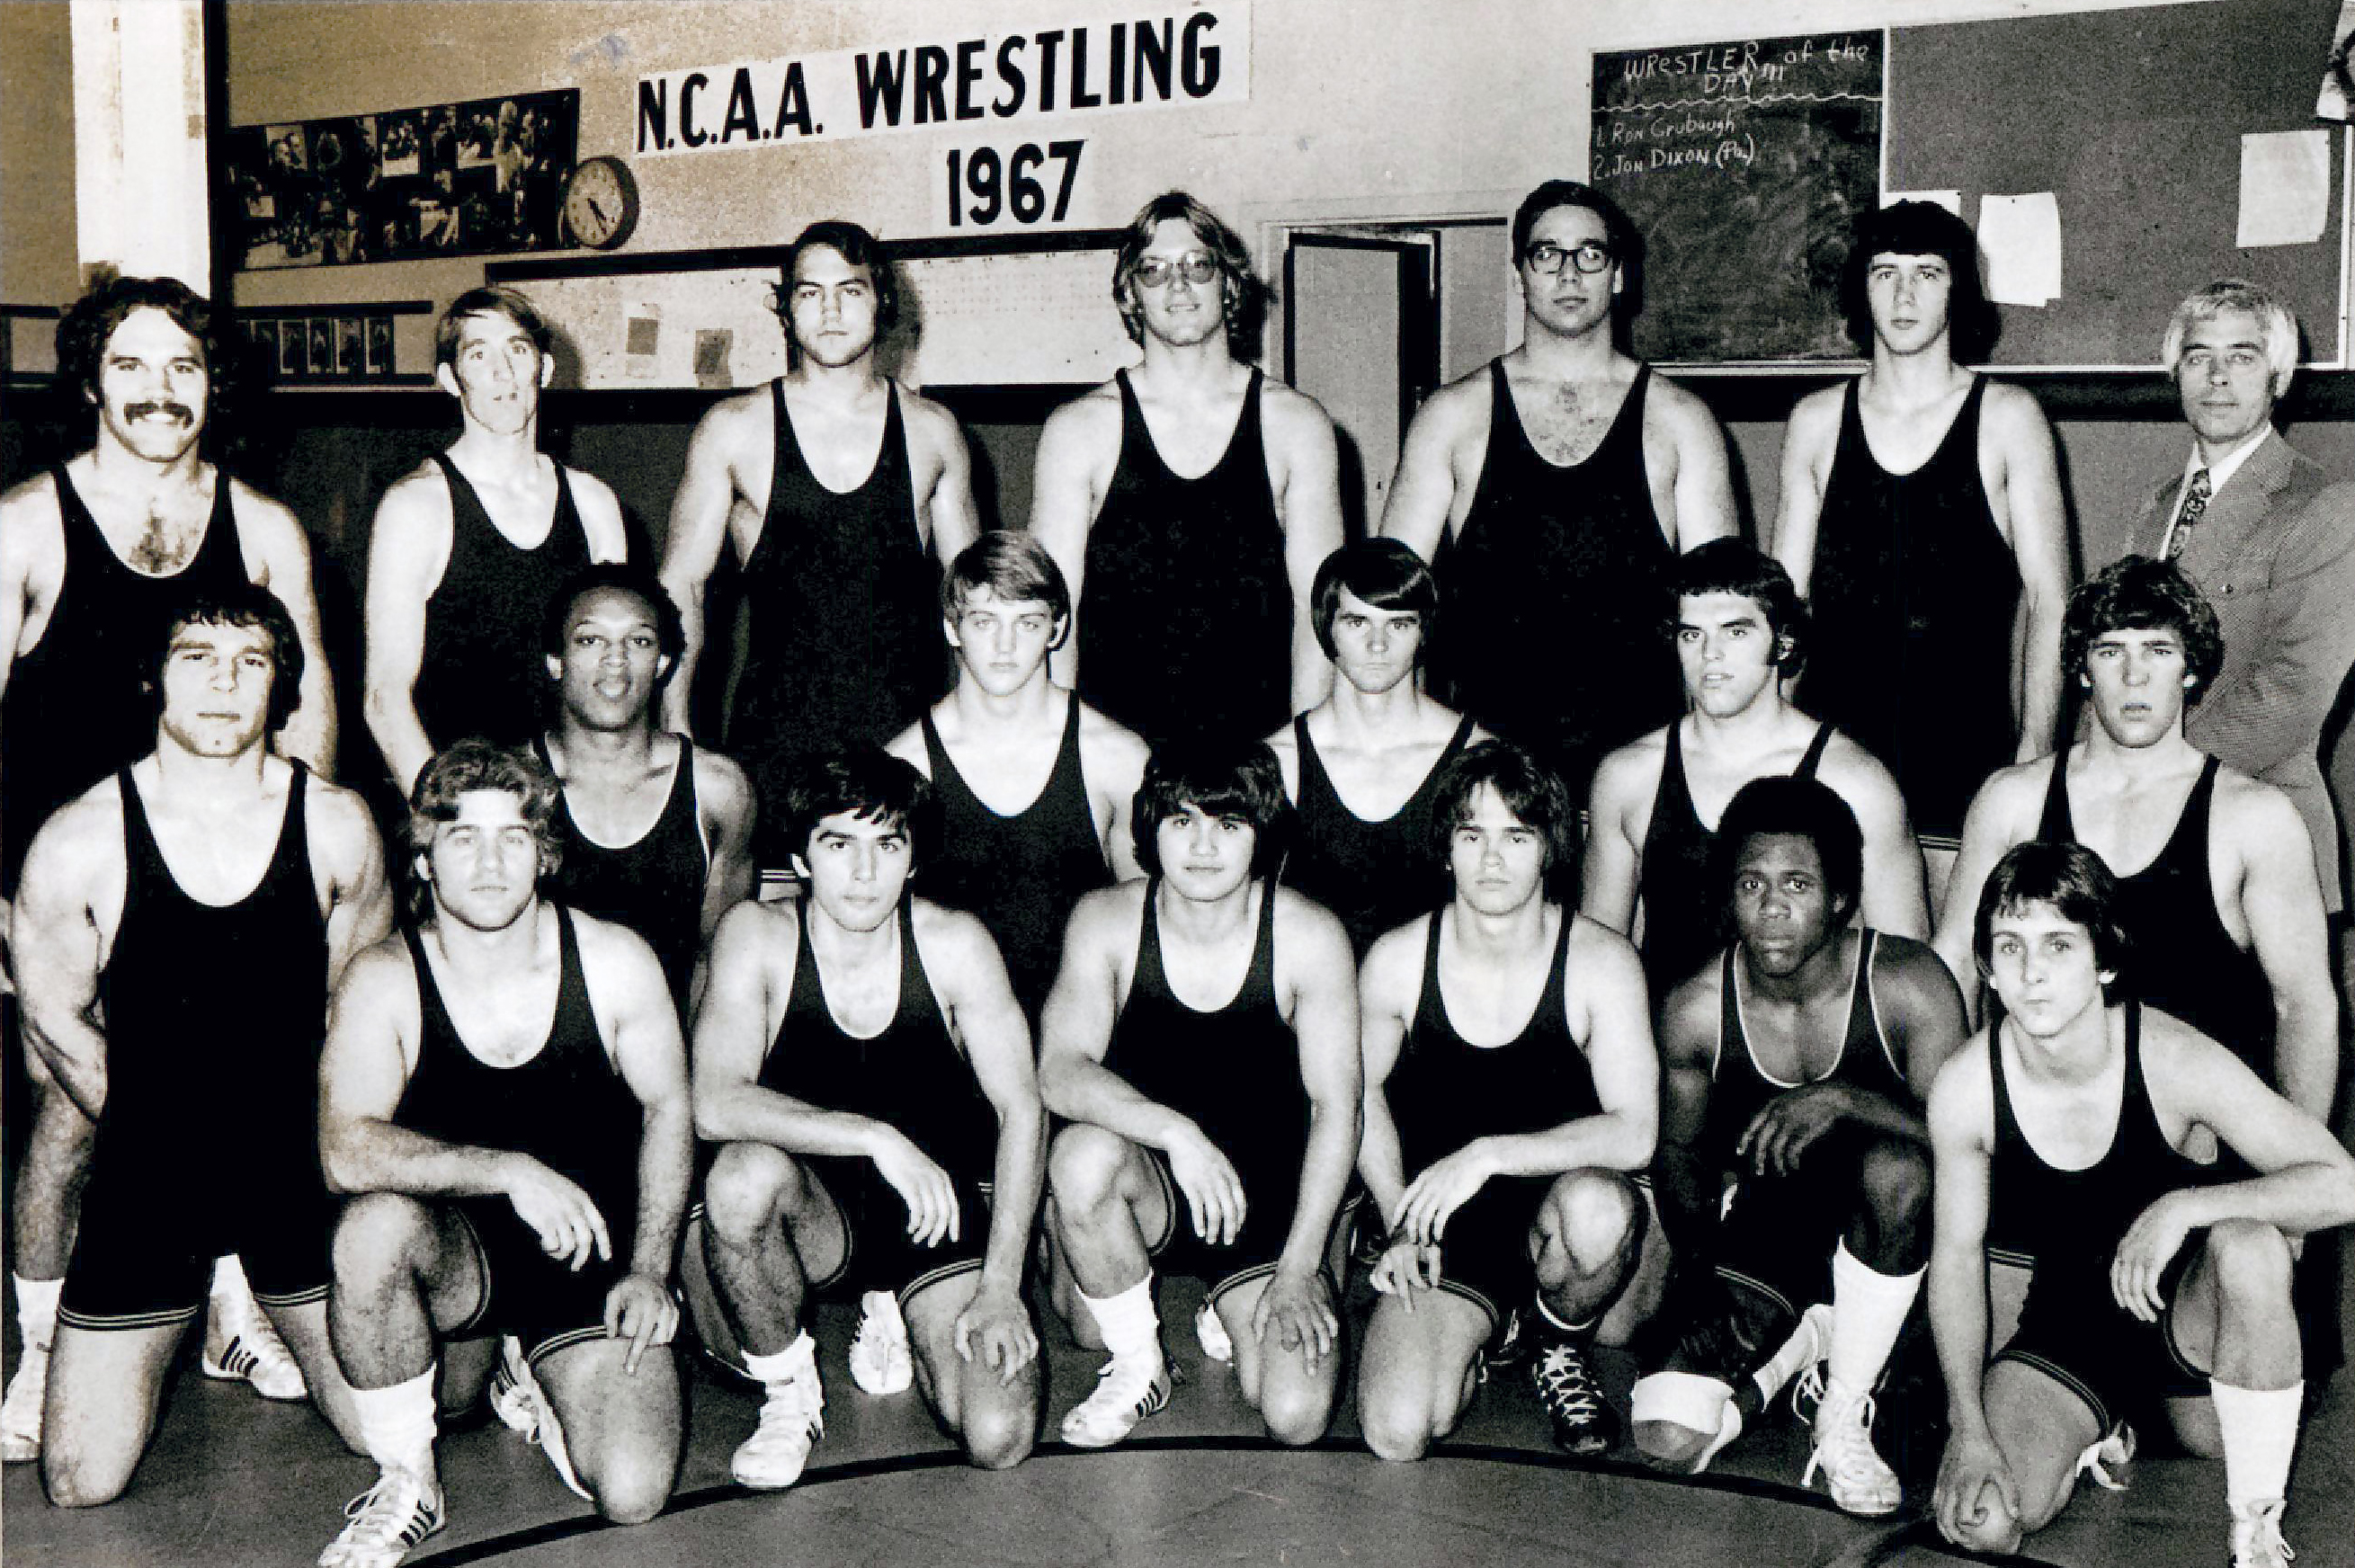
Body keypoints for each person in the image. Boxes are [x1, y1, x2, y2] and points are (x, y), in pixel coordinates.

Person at [0, 275, 339, 1459]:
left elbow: (309, 718)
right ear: (91, 383)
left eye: (183, 367)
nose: (159, 391)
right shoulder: (27, 524)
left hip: (228, 868)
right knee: (72, 1117)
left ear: (213, 385)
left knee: (249, 1092)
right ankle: (43, 1350)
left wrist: (300, 877)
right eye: (132, 367)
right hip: (70, 887)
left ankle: (233, 1314)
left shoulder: (264, 529)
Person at [9, 585, 389, 1503]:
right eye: (197, 659)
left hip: (289, 1163)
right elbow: (54, 1019)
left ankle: (471, 1340)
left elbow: (362, 1012)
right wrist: (155, 1130)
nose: (224, 683)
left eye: (250, 663)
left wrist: (313, 1144)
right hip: (154, 1168)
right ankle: (94, 1335)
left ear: (280, 687)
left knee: (385, 1433)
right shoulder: (79, 838)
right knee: (78, 1481)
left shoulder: (338, 824)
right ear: (154, 677)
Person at [1927, 842, 2355, 1568]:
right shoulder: (1965, 1089)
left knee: (2248, 1243)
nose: (2031, 972)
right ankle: (2095, 1433)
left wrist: (2185, 1206)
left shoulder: (2170, 1057)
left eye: (2058, 945)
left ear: (2103, 961)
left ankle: (2255, 1533)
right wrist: (1965, 1426)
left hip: (2192, 1332)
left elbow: (2341, 1183)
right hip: (2071, 1332)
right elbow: (1956, 1260)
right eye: (2010, 947)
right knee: (1983, 1523)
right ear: (1986, 970)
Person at [315, 741, 691, 1565]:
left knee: (632, 1492)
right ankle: (409, 1481)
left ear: (543, 855)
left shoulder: (615, 959)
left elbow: (669, 1110)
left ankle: (534, 1380)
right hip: (457, 1266)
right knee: (372, 1230)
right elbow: (344, 1150)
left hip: (590, 1255)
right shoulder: (384, 977)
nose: (490, 864)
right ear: (424, 858)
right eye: (463, 839)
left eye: (513, 838)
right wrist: (507, 1171)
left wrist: (650, 1270)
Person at [684, 749, 1047, 1488]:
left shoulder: (954, 943)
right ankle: (790, 1396)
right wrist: (875, 1138)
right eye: (838, 843)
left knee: (998, 1435)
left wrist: (1002, 1285)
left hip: (934, 1211)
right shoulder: (757, 934)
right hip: (812, 1214)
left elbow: (1023, 1112)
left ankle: (894, 1306)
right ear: (800, 857)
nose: (863, 871)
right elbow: (714, 1102)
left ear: (912, 861)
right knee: (740, 1178)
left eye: (886, 844)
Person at [1632, 778, 1967, 1514]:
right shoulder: (1696, 1008)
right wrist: (1704, 1275)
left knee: (1897, 1170)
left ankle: (1843, 1404)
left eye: (1797, 884)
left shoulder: (1908, 986)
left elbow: (1974, 1146)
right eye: (1751, 883)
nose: (1772, 907)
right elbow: (1678, 1159)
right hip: (1771, 1235)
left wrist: (1847, 1100)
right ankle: (1810, 1343)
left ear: (1840, 896)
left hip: (1892, 1251)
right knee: (1667, 1435)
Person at [1039, 742, 1360, 1449]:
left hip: (1265, 1195)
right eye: (1182, 821)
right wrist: (1176, 1133)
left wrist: (1299, 1267)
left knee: (1295, 1415)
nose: (1204, 847)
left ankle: (1249, 1284)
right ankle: (1140, 1365)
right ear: (1150, 828)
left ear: (1261, 833)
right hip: (1154, 1179)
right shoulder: (1106, 919)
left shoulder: (1308, 935)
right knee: (1082, 1172)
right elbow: (1059, 1069)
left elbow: (1337, 1110)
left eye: (1228, 824)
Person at [1934, 557, 2334, 1118]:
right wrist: (1961, 1122)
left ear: (2190, 670)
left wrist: (2298, 1161)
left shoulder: (2254, 819)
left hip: (2199, 1140)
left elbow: (2304, 1008)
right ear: (2082, 671)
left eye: (2158, 651)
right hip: (2049, 1127)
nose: (2134, 676)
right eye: (2110, 652)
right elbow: (1954, 966)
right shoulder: (2012, 802)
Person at [1354, 740, 1659, 1461]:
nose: (1491, 859)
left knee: (1599, 1209)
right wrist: (1402, 1221)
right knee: (1399, 1432)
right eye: (1472, 835)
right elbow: (1357, 1099)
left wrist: (1488, 1155)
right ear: (1446, 847)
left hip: (1556, 1203)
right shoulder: (1397, 959)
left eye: (1516, 837)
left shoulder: (1601, 962)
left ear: (1549, 847)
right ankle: (1489, 1334)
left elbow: (1635, 1132)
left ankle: (1554, 1340)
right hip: (1441, 1215)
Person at [1381, 180, 1737, 797]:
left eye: (1589, 254)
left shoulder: (1681, 421)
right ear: (1519, 273)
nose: (1568, 274)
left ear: (1618, 275)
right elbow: (1388, 605)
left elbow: (1724, 616)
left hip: (1640, 770)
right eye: (1547, 254)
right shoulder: (1452, 417)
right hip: (1484, 775)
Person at [659, 220, 979, 864]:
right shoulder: (734, 429)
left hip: (906, 742)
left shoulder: (933, 432)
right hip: (774, 745)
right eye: (810, 293)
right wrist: (675, 734)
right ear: (785, 307)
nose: (830, 311)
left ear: (881, 302)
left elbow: (975, 600)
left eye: (850, 290)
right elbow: (681, 588)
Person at [1771, 200, 2070, 844]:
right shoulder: (1816, 421)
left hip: (1966, 754)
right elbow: (1784, 603)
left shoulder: (2009, 418)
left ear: (1957, 289)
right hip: (1832, 751)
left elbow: (2051, 601)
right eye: (1885, 272)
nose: (1903, 294)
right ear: (1862, 288)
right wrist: (1771, 740)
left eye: (1926, 273)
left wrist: (2034, 753)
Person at [1030, 192, 1345, 751]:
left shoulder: (1297, 425)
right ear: (1131, 293)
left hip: (1256, 757)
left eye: (1198, 265)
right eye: (1154, 269)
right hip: (1120, 758)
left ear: (1228, 284)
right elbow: (1055, 616)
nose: (1178, 284)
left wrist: (1301, 757)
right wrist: (1070, 758)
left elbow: (1317, 613)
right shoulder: (1079, 430)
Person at [1583, 539, 1927, 995]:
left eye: (1735, 632)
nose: (1710, 653)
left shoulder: (1856, 783)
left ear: (1782, 643)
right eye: (1692, 635)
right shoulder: (1628, 777)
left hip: (1802, 1038)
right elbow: (1594, 961)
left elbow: (1910, 977)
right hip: (1664, 1034)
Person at [2109, 281, 2355, 913]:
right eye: (2199, 357)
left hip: (2259, 842)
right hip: (2138, 831)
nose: (2217, 377)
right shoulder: (2157, 506)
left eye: (2241, 357)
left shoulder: (2324, 505)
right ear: (2176, 374)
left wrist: (2140, 775)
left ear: (2278, 377)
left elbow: (2293, 693)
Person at [362, 286, 630, 795]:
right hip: (460, 796)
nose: (502, 372)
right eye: (479, 354)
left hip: (571, 794)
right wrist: (449, 817)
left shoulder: (593, 502)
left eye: (518, 350)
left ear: (544, 369)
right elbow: (385, 699)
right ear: (451, 379)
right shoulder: (416, 506)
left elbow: (618, 678)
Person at [883, 532, 1146, 1019]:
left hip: (1084, 1032)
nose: (1004, 645)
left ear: (1057, 629)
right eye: (985, 621)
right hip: (947, 1035)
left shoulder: (1116, 758)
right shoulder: (904, 766)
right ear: (952, 628)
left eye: (1027, 623)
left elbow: (1147, 933)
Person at [535, 563, 757, 1009]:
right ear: (556, 662)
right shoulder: (515, 789)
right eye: (590, 640)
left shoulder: (718, 791)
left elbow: (716, 963)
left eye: (639, 641)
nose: (615, 659)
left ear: (662, 663)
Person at [1267, 539, 1482, 958]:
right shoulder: (1277, 763)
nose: (1377, 644)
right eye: (1357, 622)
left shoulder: (1479, 758)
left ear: (1423, 632)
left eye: (1398, 624)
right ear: (1326, 627)